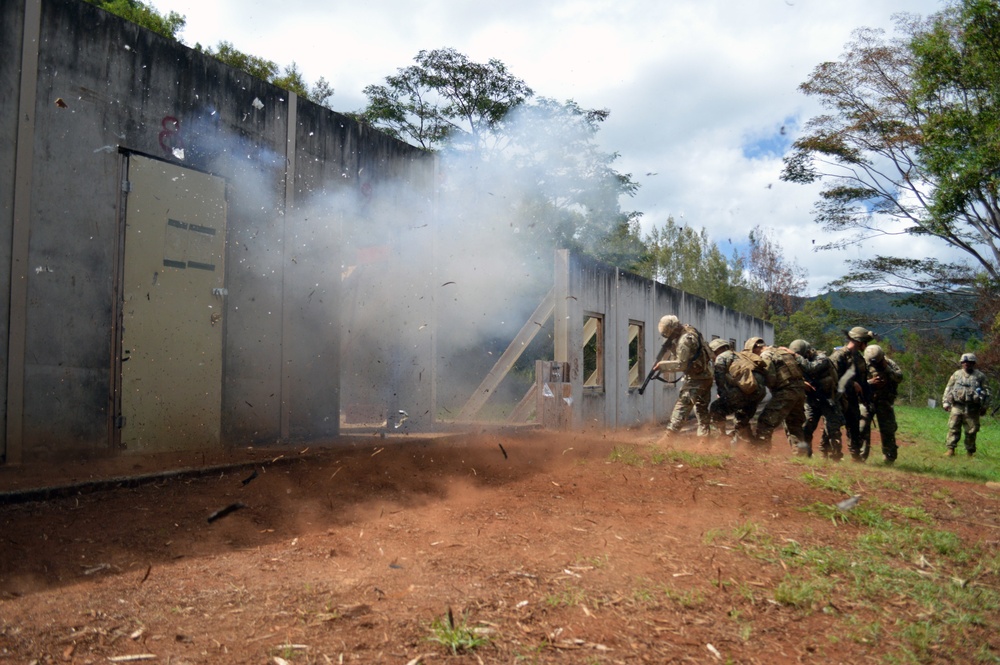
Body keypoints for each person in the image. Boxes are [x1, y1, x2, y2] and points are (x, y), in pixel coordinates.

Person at [653, 315, 713, 437]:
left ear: (673, 329)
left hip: (696, 378)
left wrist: (662, 365)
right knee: (701, 409)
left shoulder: (685, 339)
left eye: (668, 334)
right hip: (706, 376)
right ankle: (704, 439)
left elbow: (681, 365)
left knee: (682, 405)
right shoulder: (690, 331)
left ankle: (669, 437)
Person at [789, 339, 844, 460]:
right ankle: (805, 455)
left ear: (808, 352)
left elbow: (811, 368)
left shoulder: (822, 358)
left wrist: (795, 356)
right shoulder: (800, 360)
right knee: (806, 427)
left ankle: (835, 457)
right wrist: (803, 383)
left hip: (828, 399)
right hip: (812, 400)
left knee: (833, 429)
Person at [829, 327, 875, 462]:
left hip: (853, 399)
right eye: (865, 342)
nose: (866, 345)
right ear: (859, 341)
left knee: (854, 429)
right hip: (839, 399)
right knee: (833, 428)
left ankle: (856, 457)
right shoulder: (839, 356)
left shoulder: (859, 358)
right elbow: (833, 378)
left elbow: (862, 381)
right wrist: (851, 383)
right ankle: (832, 456)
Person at [755, 341, 807, 454]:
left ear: (756, 348)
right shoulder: (784, 352)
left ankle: (761, 454)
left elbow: (771, 377)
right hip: (800, 391)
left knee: (765, 422)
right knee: (795, 424)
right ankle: (801, 456)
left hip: (785, 392)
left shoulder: (766, 355)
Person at [708, 338, 762, 440]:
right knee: (741, 418)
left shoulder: (721, 357)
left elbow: (720, 377)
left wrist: (722, 393)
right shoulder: (739, 355)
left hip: (744, 391)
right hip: (758, 391)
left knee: (716, 408)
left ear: (717, 350)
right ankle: (750, 445)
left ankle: (720, 438)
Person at [860, 344, 904, 464]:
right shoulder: (861, 364)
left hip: (884, 401)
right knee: (862, 427)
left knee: (888, 429)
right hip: (867, 401)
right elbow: (855, 382)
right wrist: (870, 383)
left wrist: (887, 370)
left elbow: (899, 377)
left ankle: (889, 457)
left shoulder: (889, 364)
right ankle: (860, 456)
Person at [942, 353, 991, 457]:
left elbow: (987, 391)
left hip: (973, 408)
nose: (966, 364)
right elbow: (948, 388)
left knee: (971, 430)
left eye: (969, 362)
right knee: (953, 427)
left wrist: (985, 407)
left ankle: (970, 452)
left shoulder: (980, 376)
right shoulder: (956, 374)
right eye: (964, 362)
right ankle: (951, 450)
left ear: (973, 363)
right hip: (957, 406)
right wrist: (945, 402)